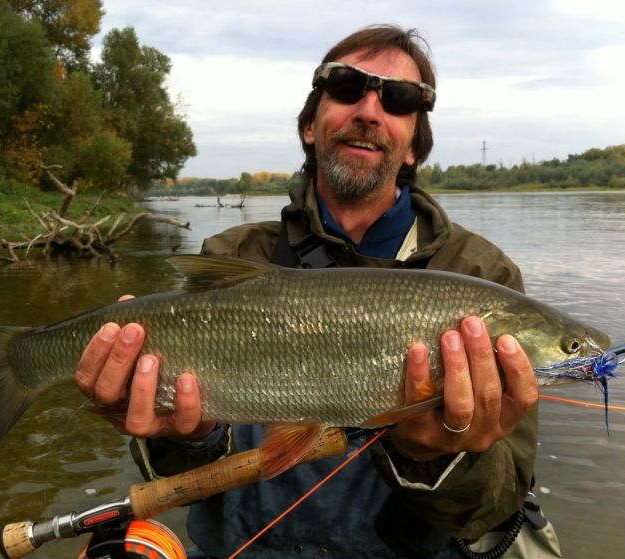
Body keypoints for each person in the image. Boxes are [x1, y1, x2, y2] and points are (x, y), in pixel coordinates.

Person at [76, 25, 561, 559]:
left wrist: (433, 454)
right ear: (311, 126)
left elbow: (493, 509)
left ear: (413, 150)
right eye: (349, 87)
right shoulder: (236, 253)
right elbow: (186, 470)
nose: (370, 112)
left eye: (399, 99)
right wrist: (187, 435)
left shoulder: (482, 274)